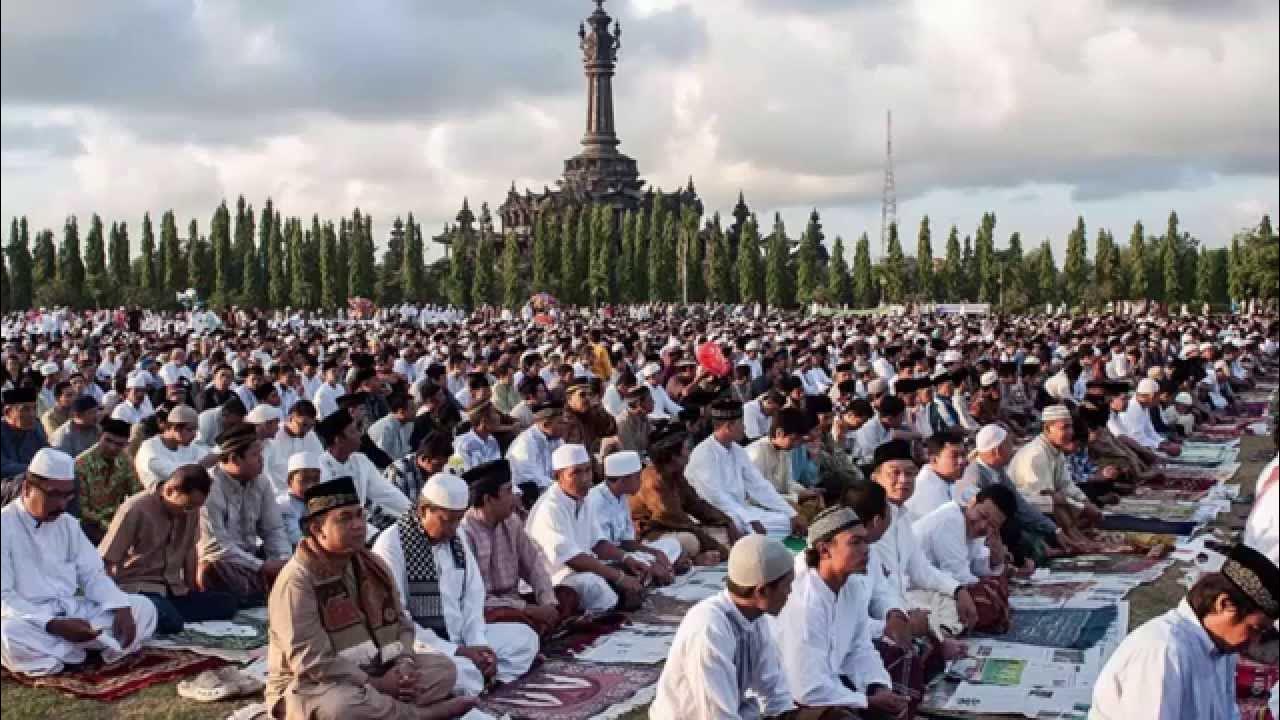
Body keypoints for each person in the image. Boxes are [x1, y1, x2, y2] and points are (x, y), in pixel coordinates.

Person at [265, 476, 472, 720]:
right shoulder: (297, 580)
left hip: (377, 668)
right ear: (317, 529)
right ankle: (420, 714)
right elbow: (311, 661)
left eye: (359, 515)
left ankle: (388, 709)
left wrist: (403, 663)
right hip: (314, 684)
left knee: (443, 669)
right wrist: (378, 684)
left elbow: (402, 624)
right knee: (343, 707)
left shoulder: (372, 565)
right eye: (345, 518)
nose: (357, 525)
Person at [372, 472, 539, 697]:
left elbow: (473, 595)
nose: (453, 528)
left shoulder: (455, 539)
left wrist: (479, 644)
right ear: (423, 510)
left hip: (462, 638)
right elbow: (399, 621)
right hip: (423, 647)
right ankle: (480, 682)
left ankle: (486, 682)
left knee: (524, 638)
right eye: (446, 520)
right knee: (461, 671)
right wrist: (458, 651)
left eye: (458, 519)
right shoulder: (391, 545)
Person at [1, 448, 158, 675]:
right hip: (31, 618)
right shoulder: (4, 526)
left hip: (72, 611)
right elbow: (4, 598)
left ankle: (71, 651)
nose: (62, 504)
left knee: (143, 608)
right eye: (54, 494)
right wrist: (53, 624)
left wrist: (120, 606)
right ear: (27, 488)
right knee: (7, 633)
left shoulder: (68, 524)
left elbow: (93, 575)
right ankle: (84, 650)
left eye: (67, 495)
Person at [1091, 544, 1279, 720]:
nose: (1254, 641)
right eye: (1255, 629)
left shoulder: (1223, 647)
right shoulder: (1163, 650)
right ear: (1224, 604)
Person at [772, 506, 910, 718]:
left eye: (865, 541)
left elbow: (860, 648)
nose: (866, 549)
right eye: (855, 542)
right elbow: (807, 689)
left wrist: (877, 687)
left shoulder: (852, 586)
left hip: (831, 686)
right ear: (824, 550)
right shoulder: (803, 600)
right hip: (789, 702)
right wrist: (867, 701)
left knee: (901, 676)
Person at [650, 535, 798, 720]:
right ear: (762, 591)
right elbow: (716, 715)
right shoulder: (709, 628)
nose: (790, 593)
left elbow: (774, 690)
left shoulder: (756, 619)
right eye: (787, 586)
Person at [99, 465, 239, 634]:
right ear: (170, 490)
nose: (190, 511)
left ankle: (165, 613)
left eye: (196, 507)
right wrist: (117, 603)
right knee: (171, 621)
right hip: (140, 589)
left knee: (228, 603)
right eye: (187, 506)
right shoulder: (136, 508)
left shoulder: (191, 510)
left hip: (173, 589)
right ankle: (154, 614)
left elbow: (189, 551)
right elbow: (107, 559)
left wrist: (192, 588)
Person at [868, 439, 981, 642]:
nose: (903, 480)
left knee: (952, 601)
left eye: (910, 473)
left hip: (903, 600)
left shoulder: (902, 517)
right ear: (875, 478)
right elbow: (880, 592)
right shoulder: (870, 524)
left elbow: (921, 569)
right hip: (882, 614)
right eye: (894, 473)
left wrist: (957, 589)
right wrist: (906, 619)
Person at [460, 459, 580, 639]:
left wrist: (548, 603)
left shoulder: (511, 522)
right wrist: (529, 609)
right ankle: (540, 629)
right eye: (508, 491)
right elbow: (475, 599)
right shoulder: (464, 533)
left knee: (568, 595)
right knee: (512, 620)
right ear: (488, 499)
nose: (515, 497)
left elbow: (534, 566)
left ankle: (542, 626)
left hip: (516, 600)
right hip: (489, 608)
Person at [526, 443, 647, 613]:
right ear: (557, 476)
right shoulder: (549, 508)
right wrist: (619, 577)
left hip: (584, 569)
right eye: (576, 473)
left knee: (635, 566)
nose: (585, 479)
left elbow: (598, 544)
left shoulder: (584, 498)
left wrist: (626, 558)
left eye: (588, 470)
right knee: (594, 585)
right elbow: (573, 559)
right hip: (556, 578)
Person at [196, 423, 292, 606]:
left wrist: (283, 561)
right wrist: (262, 567)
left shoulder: (261, 482)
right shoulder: (208, 487)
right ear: (235, 459)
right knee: (212, 570)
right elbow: (215, 547)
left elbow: (274, 529)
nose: (261, 460)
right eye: (255, 455)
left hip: (252, 560)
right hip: (223, 562)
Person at [685, 399, 806, 538]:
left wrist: (792, 514)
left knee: (785, 521)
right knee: (746, 527)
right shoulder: (703, 453)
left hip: (741, 509)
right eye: (741, 423)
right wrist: (748, 518)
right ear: (729, 426)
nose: (744, 427)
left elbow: (759, 485)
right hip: (718, 515)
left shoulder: (737, 450)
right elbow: (716, 497)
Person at [912, 486, 1017, 634]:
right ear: (972, 502)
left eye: (992, 525)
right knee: (984, 598)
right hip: (913, 588)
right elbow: (958, 575)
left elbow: (976, 566)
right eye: (982, 516)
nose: (982, 525)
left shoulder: (970, 525)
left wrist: (996, 558)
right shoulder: (951, 519)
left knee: (993, 589)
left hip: (940, 585)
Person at [630, 427, 733, 565]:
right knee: (691, 541)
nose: (690, 453)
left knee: (721, 530)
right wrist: (722, 550)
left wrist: (727, 522)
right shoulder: (653, 482)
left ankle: (700, 555)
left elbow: (697, 505)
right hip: (649, 535)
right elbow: (679, 520)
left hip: (673, 528)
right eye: (687, 449)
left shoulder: (675, 475)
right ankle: (693, 560)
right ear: (673, 456)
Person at [1009, 405, 1102, 551]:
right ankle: (1073, 537)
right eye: (1064, 428)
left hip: (1047, 502)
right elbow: (1046, 495)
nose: (1070, 432)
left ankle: (1075, 535)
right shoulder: (1036, 454)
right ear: (1047, 429)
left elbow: (1066, 485)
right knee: (1056, 500)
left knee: (1078, 501)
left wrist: (1085, 502)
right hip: (1025, 507)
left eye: (1070, 427)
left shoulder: (1055, 450)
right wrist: (1082, 507)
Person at [315, 408, 413, 540]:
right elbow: (336, 513)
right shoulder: (321, 468)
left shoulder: (360, 460)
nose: (359, 435)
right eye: (353, 431)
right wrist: (373, 534)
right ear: (338, 439)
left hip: (361, 523)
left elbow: (386, 492)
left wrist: (413, 513)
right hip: (338, 531)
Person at [587, 451, 683, 584]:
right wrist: (645, 558)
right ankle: (655, 571)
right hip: (608, 559)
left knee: (672, 544)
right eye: (637, 477)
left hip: (626, 553)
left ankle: (655, 571)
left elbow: (627, 541)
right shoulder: (595, 500)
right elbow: (602, 550)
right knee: (642, 562)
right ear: (622, 480)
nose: (641, 481)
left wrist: (655, 553)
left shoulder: (622, 496)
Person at [74, 417, 139, 543]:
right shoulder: (81, 464)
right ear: (100, 436)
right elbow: (82, 509)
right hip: (89, 524)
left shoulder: (125, 460)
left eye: (119, 444)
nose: (112, 447)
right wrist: (110, 526)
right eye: (108, 440)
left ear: (126, 444)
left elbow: (136, 493)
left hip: (118, 519)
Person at [134, 405, 218, 489]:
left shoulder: (188, 446)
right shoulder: (149, 448)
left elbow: (208, 459)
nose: (194, 435)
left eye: (195, 430)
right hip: (158, 498)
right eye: (189, 430)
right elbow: (170, 473)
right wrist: (201, 465)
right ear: (175, 428)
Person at [903, 430, 968, 522]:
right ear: (934, 459)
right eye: (954, 456)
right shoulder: (928, 492)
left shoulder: (945, 480)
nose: (962, 461)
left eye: (963, 454)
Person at [262, 399, 324, 496]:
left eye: (311, 426)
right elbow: (265, 472)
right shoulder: (274, 436)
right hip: (278, 493)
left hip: (306, 491)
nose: (307, 430)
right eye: (303, 425)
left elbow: (321, 461)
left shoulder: (311, 436)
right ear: (291, 418)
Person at [1, 387, 47, 504]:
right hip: (7, 484)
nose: (32, 414)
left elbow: (46, 453)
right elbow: (4, 467)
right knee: (24, 485)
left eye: (34, 408)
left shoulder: (36, 426)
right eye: (25, 409)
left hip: (34, 477)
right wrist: (36, 471)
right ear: (7, 412)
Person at [384, 431, 454, 508]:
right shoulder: (398, 471)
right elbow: (389, 506)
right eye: (438, 465)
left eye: (443, 465)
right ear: (424, 458)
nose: (440, 470)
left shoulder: (430, 472)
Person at [277, 451, 325, 548]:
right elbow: (294, 537)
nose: (310, 486)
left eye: (315, 480)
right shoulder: (284, 504)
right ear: (290, 482)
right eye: (304, 480)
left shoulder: (321, 502)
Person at [453, 402, 502, 471]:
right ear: (483, 420)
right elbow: (463, 474)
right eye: (494, 413)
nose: (498, 416)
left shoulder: (492, 440)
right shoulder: (462, 443)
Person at [49, 394, 101, 458]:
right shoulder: (63, 436)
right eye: (92, 412)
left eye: (97, 411)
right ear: (78, 415)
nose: (96, 415)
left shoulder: (95, 427)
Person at [369, 393, 416, 464]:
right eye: (412, 408)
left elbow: (404, 452)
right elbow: (382, 457)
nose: (415, 411)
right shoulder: (386, 427)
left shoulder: (408, 424)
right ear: (401, 411)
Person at [613, 385, 654, 455]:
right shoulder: (623, 423)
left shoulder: (643, 416)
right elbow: (631, 454)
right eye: (649, 399)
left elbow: (651, 441)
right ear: (638, 403)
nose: (653, 402)